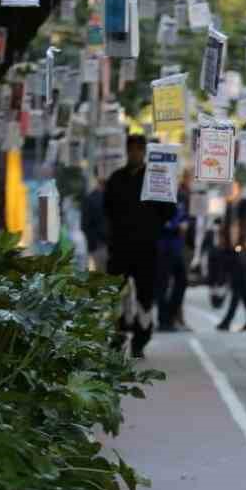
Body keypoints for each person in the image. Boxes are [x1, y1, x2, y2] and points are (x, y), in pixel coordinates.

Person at [103, 134, 177, 359]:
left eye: (139, 149)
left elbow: (169, 211)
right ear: (127, 151)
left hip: (147, 248)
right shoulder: (116, 179)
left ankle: (141, 340)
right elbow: (107, 210)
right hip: (120, 248)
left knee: (145, 296)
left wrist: (151, 223)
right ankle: (117, 336)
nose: (135, 153)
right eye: (131, 149)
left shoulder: (156, 177)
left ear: (145, 152)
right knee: (116, 294)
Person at [216, 186, 246, 331]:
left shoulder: (243, 204)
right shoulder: (229, 206)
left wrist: (241, 246)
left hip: (241, 251)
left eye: (232, 188)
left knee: (238, 286)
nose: (228, 192)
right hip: (232, 252)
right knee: (243, 287)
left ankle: (227, 321)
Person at [156, 171, 191, 332]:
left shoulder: (181, 196)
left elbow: (184, 216)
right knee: (162, 284)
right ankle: (163, 320)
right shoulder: (160, 196)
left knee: (182, 281)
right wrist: (176, 226)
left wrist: (184, 223)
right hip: (163, 245)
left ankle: (170, 315)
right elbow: (160, 222)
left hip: (176, 246)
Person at [81, 171, 108, 274]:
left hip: (99, 246)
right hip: (103, 246)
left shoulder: (90, 198)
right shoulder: (119, 196)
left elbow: (84, 225)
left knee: (103, 282)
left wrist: (92, 246)